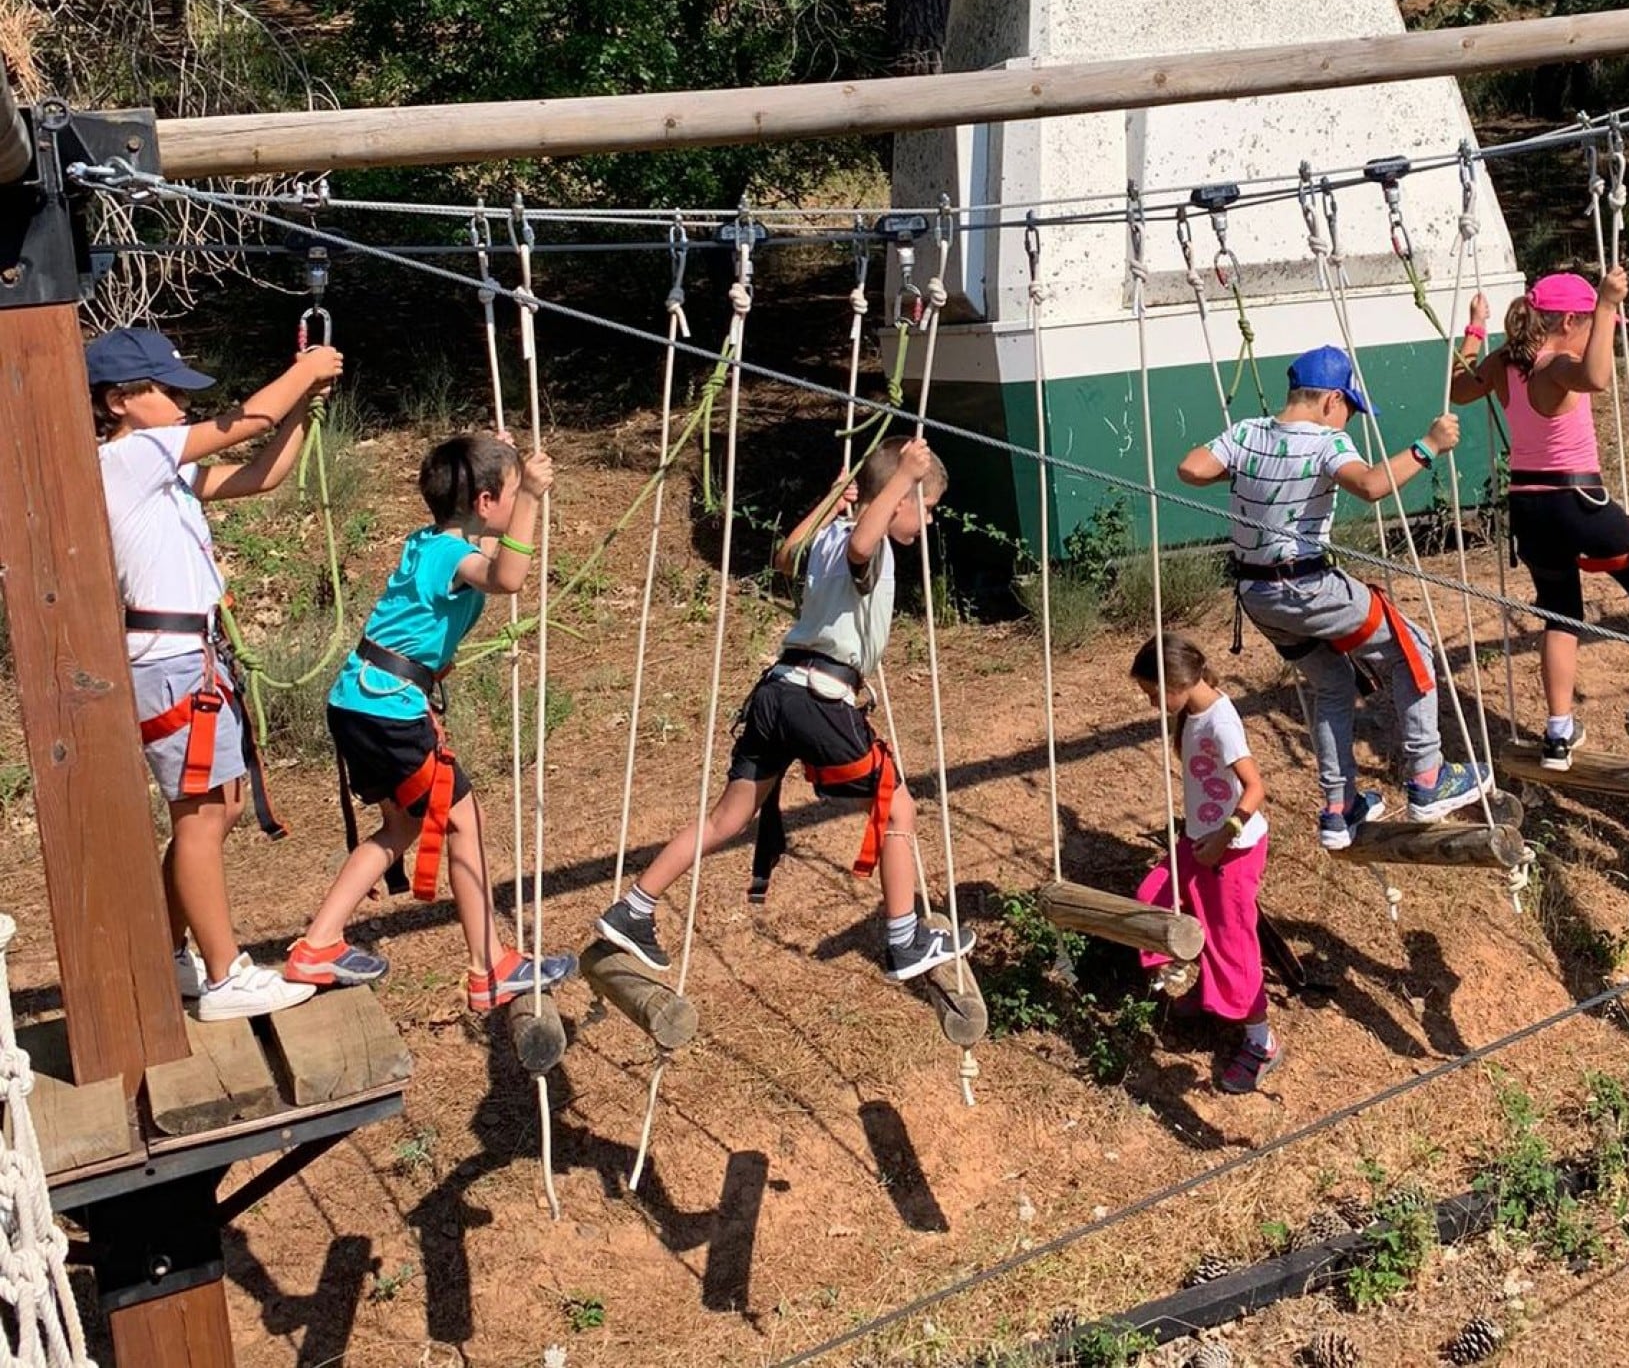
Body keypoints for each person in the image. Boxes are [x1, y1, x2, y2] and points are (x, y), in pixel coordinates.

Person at [593, 436, 976, 982]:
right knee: (898, 807)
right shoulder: (869, 544)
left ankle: (634, 906)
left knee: (728, 818)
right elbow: (864, 549)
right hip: (816, 696)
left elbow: (783, 557)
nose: (929, 520)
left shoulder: (827, 535)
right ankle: (904, 940)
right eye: (927, 505)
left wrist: (829, 500)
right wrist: (902, 478)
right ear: (897, 498)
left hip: (777, 691)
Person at [92, 326, 343, 1021]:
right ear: (118, 401)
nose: (178, 403)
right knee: (201, 816)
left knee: (219, 808)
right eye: (165, 391)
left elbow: (262, 473)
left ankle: (172, 953)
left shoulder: (158, 467)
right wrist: (306, 370)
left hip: (190, 656)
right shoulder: (131, 457)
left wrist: (304, 406)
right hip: (171, 662)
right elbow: (248, 420)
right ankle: (226, 974)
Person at [286, 432, 577, 1010]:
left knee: (403, 828)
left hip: (363, 700)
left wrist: (502, 462)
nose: (518, 502)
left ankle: (318, 943)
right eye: (509, 495)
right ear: (488, 504)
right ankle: (489, 967)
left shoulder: (432, 540)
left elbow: (484, 541)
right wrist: (533, 499)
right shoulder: (451, 555)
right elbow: (508, 578)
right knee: (464, 820)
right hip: (387, 708)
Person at [1179, 345, 1490, 851]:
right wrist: (1428, 446)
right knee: (1412, 649)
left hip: (1257, 597)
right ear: (1330, 401)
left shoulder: (1245, 434)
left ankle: (1338, 808)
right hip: (1305, 586)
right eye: (1348, 406)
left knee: (1332, 684)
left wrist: (1247, 471)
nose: (1348, 416)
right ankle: (1428, 777)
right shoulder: (1328, 441)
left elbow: (1191, 469)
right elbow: (1369, 485)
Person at [1451, 269, 1629, 770]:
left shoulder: (1508, 362)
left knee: (1560, 613)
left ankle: (1559, 733)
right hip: (1577, 501)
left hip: (1529, 506)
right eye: (1592, 324)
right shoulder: (1557, 364)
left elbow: (1459, 389)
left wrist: (1475, 331)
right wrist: (1607, 303)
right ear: (1570, 321)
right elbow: (1596, 377)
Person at [1129, 632, 1277, 1094]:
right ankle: (1194, 979)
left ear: (1176, 679)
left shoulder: (1220, 722)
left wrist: (1222, 838)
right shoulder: (1192, 714)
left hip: (1232, 851)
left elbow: (1256, 789)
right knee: (1153, 896)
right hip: (1198, 842)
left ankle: (1261, 1040)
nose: (1153, 703)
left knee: (1232, 941)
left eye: (1154, 693)